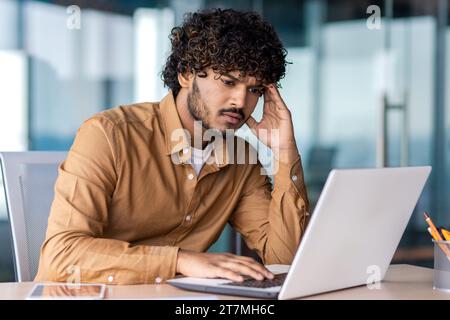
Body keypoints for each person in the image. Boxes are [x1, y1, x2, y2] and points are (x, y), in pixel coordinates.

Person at [35, 8, 310, 285]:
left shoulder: (241, 159)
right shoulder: (109, 135)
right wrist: (180, 260)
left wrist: (285, 152)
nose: (241, 101)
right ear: (186, 74)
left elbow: (283, 260)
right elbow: (61, 256)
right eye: (229, 81)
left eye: (255, 90)